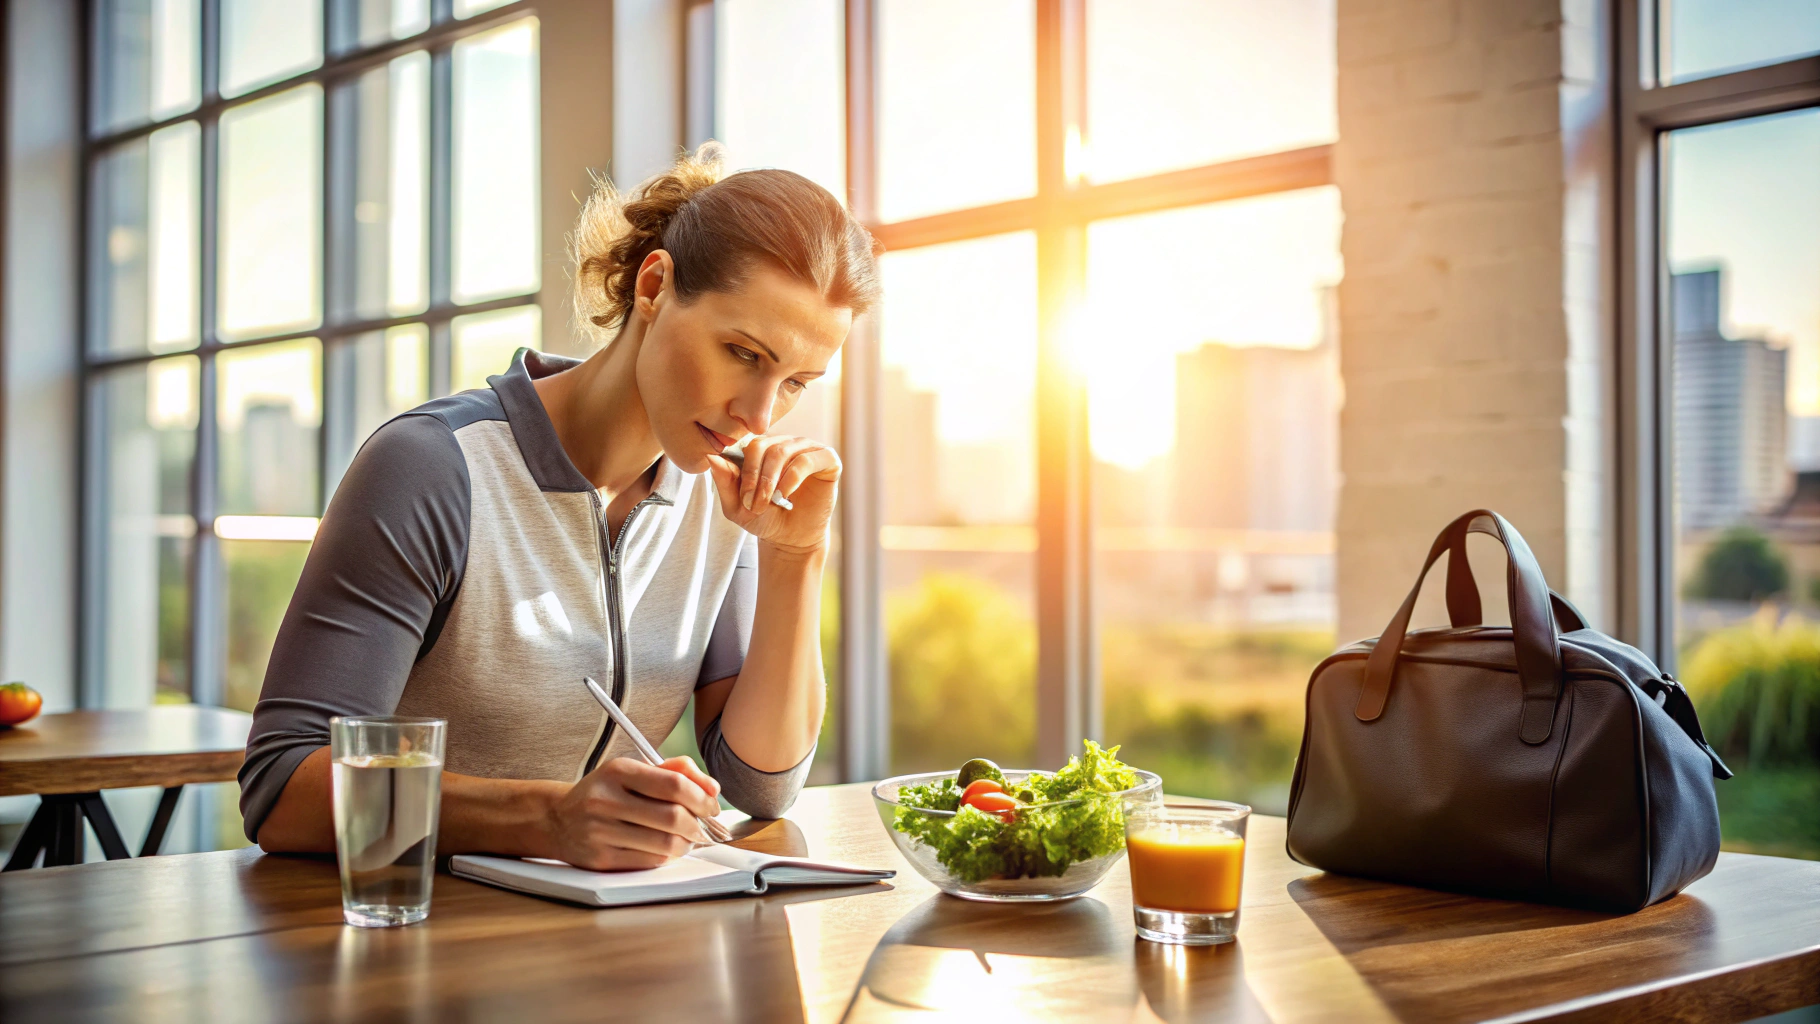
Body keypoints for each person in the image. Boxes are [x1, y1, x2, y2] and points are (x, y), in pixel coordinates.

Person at [239, 144, 880, 870]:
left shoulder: (716, 495)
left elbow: (761, 783)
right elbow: (283, 787)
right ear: (655, 286)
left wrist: (796, 555)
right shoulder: (433, 467)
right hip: (400, 940)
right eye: (742, 353)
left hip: (592, 952)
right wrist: (545, 817)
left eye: (796, 382)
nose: (759, 415)